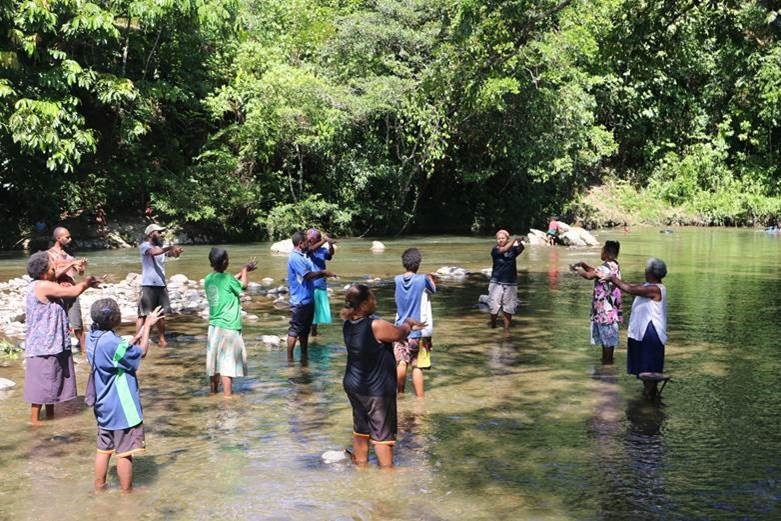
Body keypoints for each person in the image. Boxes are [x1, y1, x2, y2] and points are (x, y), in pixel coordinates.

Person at [341, 284, 425, 468]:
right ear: (363, 305)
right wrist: (409, 323)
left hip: (354, 385)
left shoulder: (348, 324)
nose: (375, 301)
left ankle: (361, 468)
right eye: (372, 298)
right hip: (376, 389)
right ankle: (387, 479)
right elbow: (399, 333)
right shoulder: (375, 325)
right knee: (382, 435)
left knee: (361, 428)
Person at [87, 299, 163, 492]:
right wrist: (147, 327)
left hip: (103, 405)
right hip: (121, 407)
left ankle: (99, 487)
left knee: (104, 449)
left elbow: (120, 349)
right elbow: (142, 352)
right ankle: (127, 494)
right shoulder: (113, 343)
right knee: (125, 452)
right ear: (113, 319)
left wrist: (136, 335)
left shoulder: (93, 337)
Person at [23, 251, 101, 423]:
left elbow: (58, 277)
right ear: (44, 272)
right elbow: (73, 292)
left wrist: (71, 269)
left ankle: (49, 417)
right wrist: (87, 282)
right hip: (45, 346)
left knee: (51, 382)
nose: (55, 267)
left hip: (49, 343)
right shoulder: (44, 286)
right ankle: (34, 423)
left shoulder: (39, 283)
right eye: (52, 265)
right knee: (41, 387)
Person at [602, 258, 668, 398]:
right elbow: (631, 287)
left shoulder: (654, 289)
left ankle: (649, 398)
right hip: (644, 332)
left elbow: (631, 289)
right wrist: (616, 282)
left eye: (646, 269)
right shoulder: (650, 286)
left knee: (649, 370)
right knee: (645, 370)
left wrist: (613, 278)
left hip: (650, 334)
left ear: (651, 273)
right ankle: (649, 399)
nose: (644, 271)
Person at [204, 248, 257, 396]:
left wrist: (242, 272)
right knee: (227, 364)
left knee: (214, 362)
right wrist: (245, 271)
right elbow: (244, 286)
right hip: (229, 327)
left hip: (214, 327)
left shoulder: (209, 279)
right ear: (225, 262)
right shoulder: (227, 279)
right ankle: (228, 398)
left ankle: (213, 393)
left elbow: (229, 282)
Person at [393, 248, 436, 397]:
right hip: (419, 331)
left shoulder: (397, 280)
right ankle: (420, 400)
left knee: (401, 362)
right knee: (417, 365)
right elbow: (434, 290)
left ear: (403, 263)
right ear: (418, 263)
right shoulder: (423, 279)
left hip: (400, 329)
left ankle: (400, 395)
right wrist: (431, 278)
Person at [571, 240, 622, 364]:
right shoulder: (614, 264)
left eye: (603, 249)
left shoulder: (604, 267)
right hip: (610, 308)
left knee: (607, 342)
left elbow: (589, 276)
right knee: (608, 340)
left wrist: (577, 269)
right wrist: (584, 265)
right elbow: (595, 272)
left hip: (605, 310)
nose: (601, 251)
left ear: (608, 253)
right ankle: (607, 365)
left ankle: (607, 365)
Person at [286, 231, 335, 362]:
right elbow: (307, 275)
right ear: (300, 243)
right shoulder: (295, 257)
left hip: (307, 298)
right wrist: (323, 273)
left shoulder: (301, 254)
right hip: (300, 300)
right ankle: (290, 359)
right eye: (306, 241)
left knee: (305, 330)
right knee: (295, 330)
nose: (309, 243)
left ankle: (304, 355)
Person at [137, 224, 183, 347]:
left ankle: (162, 339)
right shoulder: (144, 246)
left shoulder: (161, 247)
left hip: (161, 284)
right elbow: (153, 253)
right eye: (159, 232)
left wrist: (177, 252)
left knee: (161, 314)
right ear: (151, 234)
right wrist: (170, 247)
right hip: (148, 285)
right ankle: (138, 340)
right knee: (143, 314)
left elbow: (172, 255)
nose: (161, 234)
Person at [47, 227, 88, 352]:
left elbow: (78, 274)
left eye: (70, 237)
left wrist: (82, 267)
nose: (70, 239)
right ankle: (60, 350)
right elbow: (53, 276)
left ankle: (85, 352)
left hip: (72, 292)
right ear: (58, 238)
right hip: (57, 293)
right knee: (59, 323)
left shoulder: (69, 256)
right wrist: (70, 264)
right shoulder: (49, 255)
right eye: (67, 237)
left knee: (77, 325)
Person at [488, 230, 525, 333]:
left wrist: (520, 241)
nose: (500, 240)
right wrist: (514, 239)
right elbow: (503, 249)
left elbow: (521, 249)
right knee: (494, 307)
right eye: (498, 238)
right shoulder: (495, 250)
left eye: (503, 238)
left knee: (509, 308)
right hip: (496, 282)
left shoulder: (512, 250)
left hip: (511, 282)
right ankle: (493, 326)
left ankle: (506, 330)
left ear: (507, 239)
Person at [306, 228, 335, 338]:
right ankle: (307, 331)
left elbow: (330, 256)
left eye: (317, 238)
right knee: (310, 309)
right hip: (310, 283)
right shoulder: (307, 249)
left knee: (317, 311)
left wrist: (330, 245)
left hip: (320, 283)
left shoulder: (322, 250)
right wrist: (325, 239)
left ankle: (314, 331)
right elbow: (311, 250)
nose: (311, 240)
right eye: (317, 238)